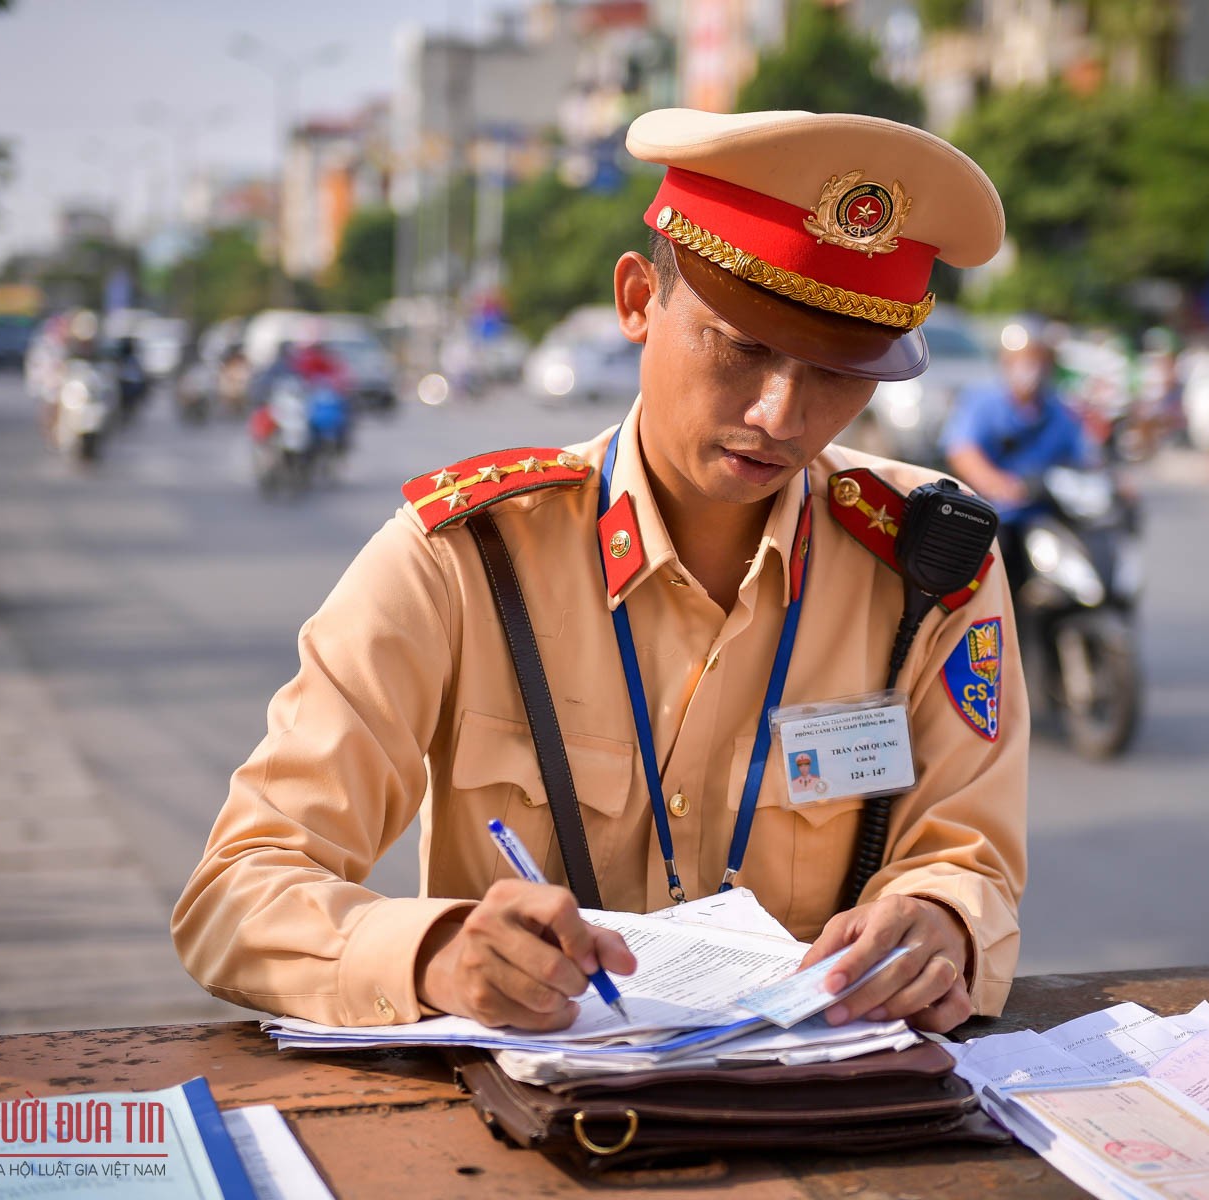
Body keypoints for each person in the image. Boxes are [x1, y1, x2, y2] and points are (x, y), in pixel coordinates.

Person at [172, 109, 1028, 1036]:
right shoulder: (468, 559)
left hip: (817, 1119)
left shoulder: (925, 568)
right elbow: (236, 892)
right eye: (741, 347)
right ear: (635, 301)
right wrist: (439, 957)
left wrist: (942, 925)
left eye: (838, 368)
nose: (783, 414)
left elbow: (966, 859)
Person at [941, 328, 1098, 590]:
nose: (1029, 367)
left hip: (1046, 516)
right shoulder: (983, 402)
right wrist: (999, 485)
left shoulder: (1058, 409)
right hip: (997, 517)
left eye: (1037, 359)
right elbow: (962, 451)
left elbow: (1085, 457)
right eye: (1021, 359)